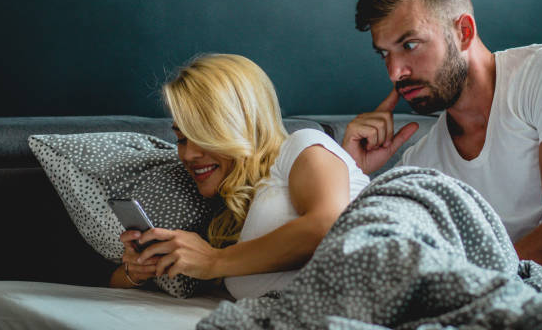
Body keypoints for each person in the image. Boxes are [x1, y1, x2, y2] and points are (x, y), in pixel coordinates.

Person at [342, 0, 542, 270]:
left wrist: (462, 278)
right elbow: (366, 258)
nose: (395, 72)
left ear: (464, 32)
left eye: (409, 45)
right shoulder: (421, 165)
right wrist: (352, 172)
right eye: (384, 54)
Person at [109, 53, 370, 298]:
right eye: (182, 139)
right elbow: (110, 289)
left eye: (204, 135)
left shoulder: (303, 146)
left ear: (242, 124)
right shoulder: (228, 220)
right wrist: (137, 270)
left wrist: (213, 261)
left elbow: (327, 227)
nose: (188, 154)